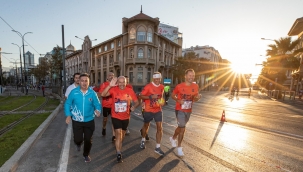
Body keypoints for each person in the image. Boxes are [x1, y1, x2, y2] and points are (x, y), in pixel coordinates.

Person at [64, 73, 101, 163]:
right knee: (78, 139)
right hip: (77, 120)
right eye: (82, 81)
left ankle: (86, 154)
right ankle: (78, 143)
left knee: (88, 139)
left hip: (89, 120)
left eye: (86, 81)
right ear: (79, 82)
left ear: (89, 82)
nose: (84, 83)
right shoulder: (74, 92)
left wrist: (98, 110)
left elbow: (97, 103)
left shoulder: (92, 93)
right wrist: (68, 115)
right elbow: (68, 103)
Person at [101, 76, 139, 162]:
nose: (121, 84)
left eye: (123, 82)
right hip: (115, 116)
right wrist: (110, 85)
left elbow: (137, 101)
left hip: (126, 117)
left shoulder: (130, 91)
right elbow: (103, 94)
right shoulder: (114, 89)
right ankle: (118, 153)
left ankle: (118, 145)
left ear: (126, 83)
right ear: (117, 83)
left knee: (122, 135)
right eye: (120, 82)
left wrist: (134, 106)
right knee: (118, 133)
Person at [169, 69, 202, 157]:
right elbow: (172, 95)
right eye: (190, 75)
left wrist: (198, 98)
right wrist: (178, 100)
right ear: (185, 76)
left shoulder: (195, 86)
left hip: (188, 110)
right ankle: (179, 148)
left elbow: (195, 98)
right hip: (179, 109)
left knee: (180, 127)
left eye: (193, 75)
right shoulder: (179, 86)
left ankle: (172, 138)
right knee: (182, 128)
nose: (191, 77)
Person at [139, 72, 165, 156]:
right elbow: (141, 96)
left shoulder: (162, 87)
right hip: (148, 110)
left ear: (160, 78)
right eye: (156, 79)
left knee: (159, 127)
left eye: (159, 79)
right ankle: (143, 140)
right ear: (153, 79)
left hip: (158, 110)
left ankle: (157, 147)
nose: (157, 80)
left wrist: (162, 102)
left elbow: (161, 97)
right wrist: (150, 97)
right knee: (146, 125)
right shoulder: (148, 86)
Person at [98, 72, 116, 142]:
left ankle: (114, 135)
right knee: (105, 119)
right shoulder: (104, 84)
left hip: (114, 106)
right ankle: (104, 127)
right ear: (107, 77)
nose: (111, 77)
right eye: (110, 75)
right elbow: (100, 94)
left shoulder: (116, 85)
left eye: (112, 75)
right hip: (106, 105)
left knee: (113, 120)